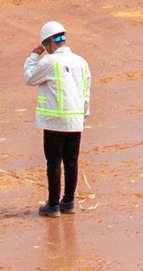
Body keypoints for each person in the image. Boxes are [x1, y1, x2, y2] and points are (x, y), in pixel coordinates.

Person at [24, 20, 93, 217]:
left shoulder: (49, 61)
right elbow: (86, 91)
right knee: (71, 162)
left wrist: (33, 56)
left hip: (55, 121)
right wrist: (83, 115)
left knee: (53, 162)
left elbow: (29, 77)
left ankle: (53, 204)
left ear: (48, 44)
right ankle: (68, 202)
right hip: (75, 121)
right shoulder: (81, 62)